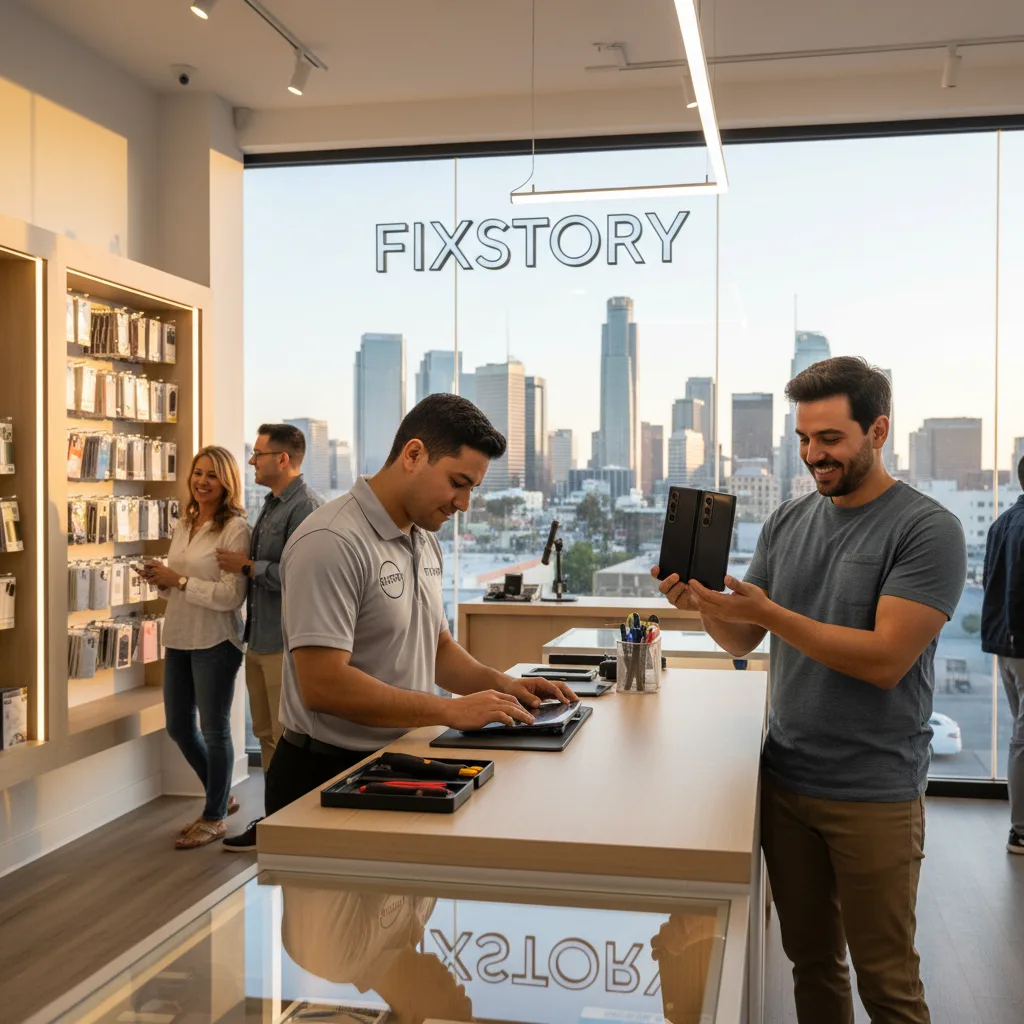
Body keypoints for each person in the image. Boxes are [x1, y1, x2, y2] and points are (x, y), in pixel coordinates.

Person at [654, 357, 966, 1024]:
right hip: (788, 781)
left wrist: (768, 614)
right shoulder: (788, 523)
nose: (812, 455)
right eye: (802, 438)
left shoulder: (927, 529)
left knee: (888, 982)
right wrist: (704, 607)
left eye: (830, 439)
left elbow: (885, 660)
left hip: (874, 791)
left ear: (877, 430)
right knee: (812, 966)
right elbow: (742, 643)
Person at [264, 393, 576, 817]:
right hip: (324, 773)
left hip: (399, 758)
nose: (464, 503)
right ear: (413, 454)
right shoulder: (330, 541)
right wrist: (449, 709)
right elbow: (324, 686)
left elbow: (436, 647)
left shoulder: (423, 539)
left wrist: (504, 686)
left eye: (472, 489)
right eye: (457, 483)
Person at [141, 446, 251, 850]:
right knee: (179, 727)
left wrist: (181, 581)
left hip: (216, 640)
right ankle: (221, 797)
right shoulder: (184, 523)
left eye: (211, 475)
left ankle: (215, 816)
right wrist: (164, 581)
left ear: (227, 482)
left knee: (215, 729)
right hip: (180, 636)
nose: (202, 481)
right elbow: (180, 586)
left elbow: (231, 596)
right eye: (197, 473)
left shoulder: (236, 528)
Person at [218, 424, 321, 852]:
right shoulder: (270, 504)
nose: (251, 462)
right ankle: (275, 822)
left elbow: (300, 576)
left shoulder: (307, 508)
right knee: (265, 736)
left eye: (258, 454)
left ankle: (287, 827)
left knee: (284, 740)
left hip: (283, 643)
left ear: (283, 459)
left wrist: (247, 567)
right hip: (257, 639)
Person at [981, 455, 1024, 855]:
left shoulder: (1001, 523)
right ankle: (1021, 830)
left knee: (1020, 736)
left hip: (1005, 645)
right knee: (1022, 740)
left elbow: (989, 583)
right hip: (1021, 644)